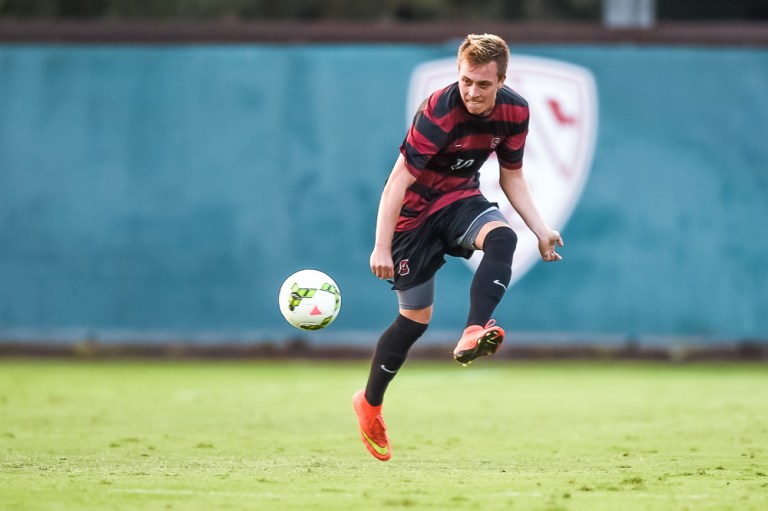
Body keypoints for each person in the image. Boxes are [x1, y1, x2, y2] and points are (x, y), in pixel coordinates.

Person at [352, 33, 564, 461]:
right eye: (466, 80)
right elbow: (398, 181)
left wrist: (541, 229)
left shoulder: (515, 111)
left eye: (483, 84)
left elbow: (512, 177)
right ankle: (370, 404)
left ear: (501, 80)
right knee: (414, 321)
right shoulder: (439, 111)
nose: (472, 91)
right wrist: (381, 247)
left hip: (459, 201)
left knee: (503, 236)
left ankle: (474, 328)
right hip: (414, 217)